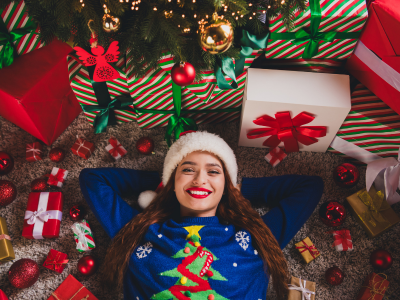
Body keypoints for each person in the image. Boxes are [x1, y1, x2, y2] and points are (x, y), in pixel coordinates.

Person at [79, 131, 324, 300]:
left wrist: (239, 188)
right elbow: (93, 180)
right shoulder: (138, 232)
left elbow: (309, 188)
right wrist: (166, 181)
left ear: (226, 184)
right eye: (188, 170)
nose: (199, 179)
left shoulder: (256, 236)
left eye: (213, 171)